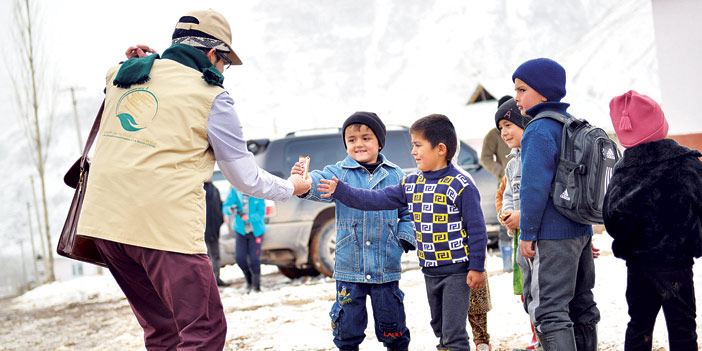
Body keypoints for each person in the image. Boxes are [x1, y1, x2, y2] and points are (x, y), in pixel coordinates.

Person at [76, 9, 311, 350]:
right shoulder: (212, 97)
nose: (223, 72)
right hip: (163, 228)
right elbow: (245, 178)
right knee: (204, 330)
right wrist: (290, 187)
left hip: (105, 225)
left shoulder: (121, 74)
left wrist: (151, 61)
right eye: (225, 63)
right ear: (214, 53)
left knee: (164, 331)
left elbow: (156, 85)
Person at [318, 114, 488, 351]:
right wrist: (341, 190)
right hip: (431, 272)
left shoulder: (461, 184)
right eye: (413, 146)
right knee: (439, 328)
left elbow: (477, 230)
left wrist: (477, 267)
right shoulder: (411, 183)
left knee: (453, 334)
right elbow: (373, 199)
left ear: (440, 149)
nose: (413, 151)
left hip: (457, 271)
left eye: (418, 145)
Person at [290, 111, 414, 351]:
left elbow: (408, 213)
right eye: (352, 139)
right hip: (349, 269)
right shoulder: (338, 174)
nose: (359, 144)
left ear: (379, 142)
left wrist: (402, 240)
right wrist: (302, 180)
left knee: (394, 329)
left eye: (366, 138)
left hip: (385, 268)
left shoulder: (396, 175)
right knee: (348, 330)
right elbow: (316, 182)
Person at [603, 90, 702, 350]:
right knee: (683, 329)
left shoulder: (624, 171)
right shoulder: (688, 164)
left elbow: (611, 218)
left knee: (639, 327)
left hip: (639, 266)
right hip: (677, 264)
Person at [512, 58, 600, 350]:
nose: (517, 97)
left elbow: (533, 188)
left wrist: (527, 233)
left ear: (543, 92)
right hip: (580, 230)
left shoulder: (538, 129)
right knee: (582, 305)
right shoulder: (571, 124)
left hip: (552, 233)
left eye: (522, 90)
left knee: (550, 311)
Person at [494, 98, 541, 351]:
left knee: (542, 290)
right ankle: (536, 333)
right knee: (527, 290)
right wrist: (507, 214)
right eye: (500, 128)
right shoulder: (512, 164)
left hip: (540, 235)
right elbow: (508, 195)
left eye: (509, 125)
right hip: (520, 237)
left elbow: (543, 194)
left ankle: (545, 336)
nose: (504, 132)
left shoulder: (536, 157)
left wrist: (521, 215)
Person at [480, 96, 514, 273]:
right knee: (505, 220)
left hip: (523, 179)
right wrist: (500, 171)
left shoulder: (523, 127)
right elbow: (485, 158)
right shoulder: (493, 134)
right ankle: (507, 261)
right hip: (504, 182)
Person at [222, 188, 267, 292]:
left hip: (256, 231)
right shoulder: (235, 191)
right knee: (240, 258)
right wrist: (231, 209)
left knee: (254, 259)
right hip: (240, 230)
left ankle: (256, 286)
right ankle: (249, 281)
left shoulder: (258, 192)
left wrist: (249, 217)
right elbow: (225, 207)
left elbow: (261, 212)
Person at [204, 178, 228, 287]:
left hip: (214, 230)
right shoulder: (199, 189)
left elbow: (219, 207)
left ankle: (216, 278)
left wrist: (220, 221)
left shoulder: (214, 189)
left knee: (215, 256)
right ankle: (208, 281)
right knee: (206, 257)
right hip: (203, 230)